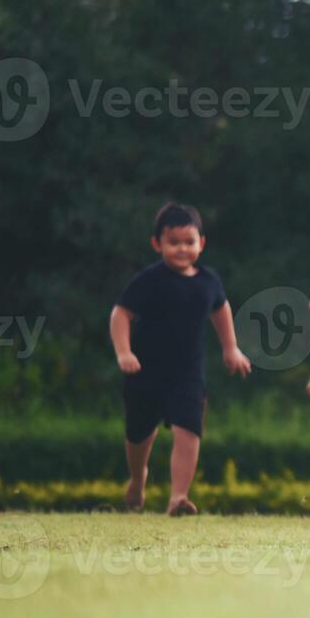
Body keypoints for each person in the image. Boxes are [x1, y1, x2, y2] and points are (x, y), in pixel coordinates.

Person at [110, 202, 251, 515]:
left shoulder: (208, 280)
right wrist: (124, 352)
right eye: (173, 243)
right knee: (139, 434)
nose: (182, 249)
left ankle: (178, 498)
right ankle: (138, 478)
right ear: (157, 244)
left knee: (189, 430)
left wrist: (231, 348)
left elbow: (221, 309)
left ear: (202, 243)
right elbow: (121, 313)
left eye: (189, 242)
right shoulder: (149, 280)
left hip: (188, 373)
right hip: (145, 371)